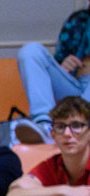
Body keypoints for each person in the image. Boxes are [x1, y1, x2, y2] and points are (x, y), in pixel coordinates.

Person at [19, 5, 90, 136]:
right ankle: (45, 124)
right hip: (73, 86)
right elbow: (58, 60)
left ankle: (83, 126)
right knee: (31, 51)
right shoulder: (78, 20)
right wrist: (64, 66)